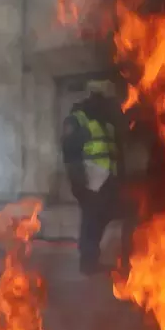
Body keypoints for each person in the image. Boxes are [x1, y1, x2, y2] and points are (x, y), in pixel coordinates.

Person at [61, 79, 121, 275]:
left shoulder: (106, 120)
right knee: (91, 220)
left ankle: (91, 257)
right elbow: (70, 152)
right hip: (90, 181)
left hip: (108, 180)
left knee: (101, 218)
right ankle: (88, 262)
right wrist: (78, 182)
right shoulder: (78, 119)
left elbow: (113, 151)